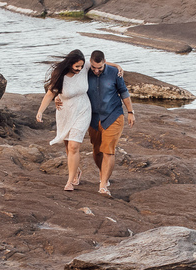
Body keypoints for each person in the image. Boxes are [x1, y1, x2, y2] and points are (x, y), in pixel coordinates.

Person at [36, 49, 92, 191]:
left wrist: (117, 66)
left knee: (74, 146)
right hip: (65, 112)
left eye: (81, 66)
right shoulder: (59, 75)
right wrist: (40, 112)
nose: (80, 69)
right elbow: (50, 94)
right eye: (77, 66)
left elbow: (99, 63)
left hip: (83, 110)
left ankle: (69, 181)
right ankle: (76, 171)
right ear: (69, 64)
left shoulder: (85, 68)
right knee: (68, 147)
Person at [85, 50, 135, 196]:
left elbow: (124, 92)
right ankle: (103, 174)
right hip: (93, 118)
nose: (96, 70)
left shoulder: (114, 73)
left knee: (108, 150)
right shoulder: (86, 71)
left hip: (113, 115)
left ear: (104, 62)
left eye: (99, 68)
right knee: (97, 150)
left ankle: (103, 185)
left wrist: (130, 112)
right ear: (90, 63)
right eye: (94, 67)